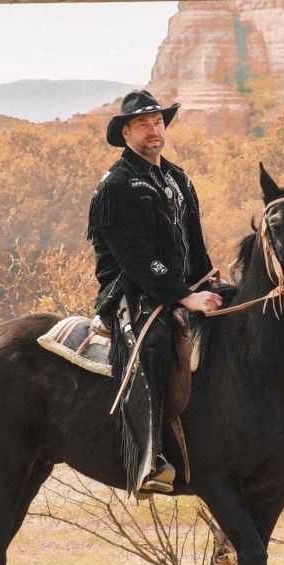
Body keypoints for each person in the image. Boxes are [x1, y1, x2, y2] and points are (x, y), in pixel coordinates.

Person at [87, 90, 223, 496]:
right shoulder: (116, 185)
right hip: (130, 289)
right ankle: (146, 460)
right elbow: (135, 258)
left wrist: (207, 282)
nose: (154, 130)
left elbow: (194, 244)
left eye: (159, 122)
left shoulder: (179, 178)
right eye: (144, 124)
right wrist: (183, 296)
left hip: (180, 287)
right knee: (155, 341)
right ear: (125, 132)